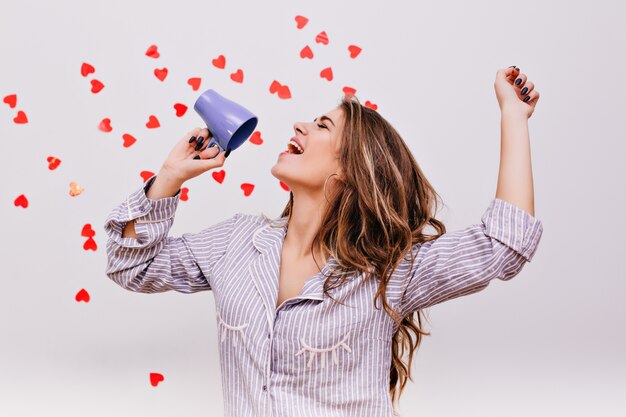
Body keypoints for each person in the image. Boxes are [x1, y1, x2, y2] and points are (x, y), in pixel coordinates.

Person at [104, 66, 543, 417]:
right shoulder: (235, 241)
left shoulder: (390, 271)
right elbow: (131, 267)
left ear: (352, 167)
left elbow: (505, 243)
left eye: (322, 125)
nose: (300, 125)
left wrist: (513, 116)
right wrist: (169, 177)